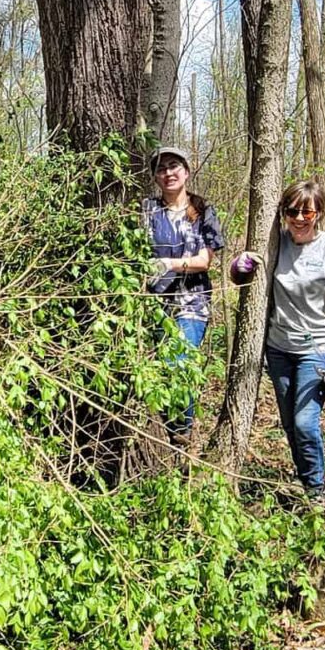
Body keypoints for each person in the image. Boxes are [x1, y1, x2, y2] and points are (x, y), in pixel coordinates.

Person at [264, 178, 325, 503]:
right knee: (288, 423)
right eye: (292, 211)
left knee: (304, 422)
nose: (299, 218)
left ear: (319, 213)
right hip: (279, 349)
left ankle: (316, 491)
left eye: (307, 212)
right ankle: (305, 479)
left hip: (317, 350)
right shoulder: (275, 242)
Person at [145, 145, 225, 435]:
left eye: (174, 166)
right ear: (155, 176)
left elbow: (204, 261)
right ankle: (161, 430)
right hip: (152, 303)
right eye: (161, 168)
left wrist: (169, 263)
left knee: (178, 366)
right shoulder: (147, 210)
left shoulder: (203, 210)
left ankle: (181, 434)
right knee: (155, 371)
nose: (168, 173)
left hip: (191, 303)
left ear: (187, 172)